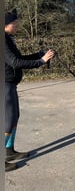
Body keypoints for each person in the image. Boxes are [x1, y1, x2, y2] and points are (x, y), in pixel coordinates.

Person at [4, 12, 55, 171]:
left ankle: (9, 151)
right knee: (8, 120)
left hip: (10, 84)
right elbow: (15, 62)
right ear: (6, 24)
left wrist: (40, 55)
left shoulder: (8, 39)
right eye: (15, 22)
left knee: (14, 117)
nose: (17, 25)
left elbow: (21, 58)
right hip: (5, 85)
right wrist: (41, 61)